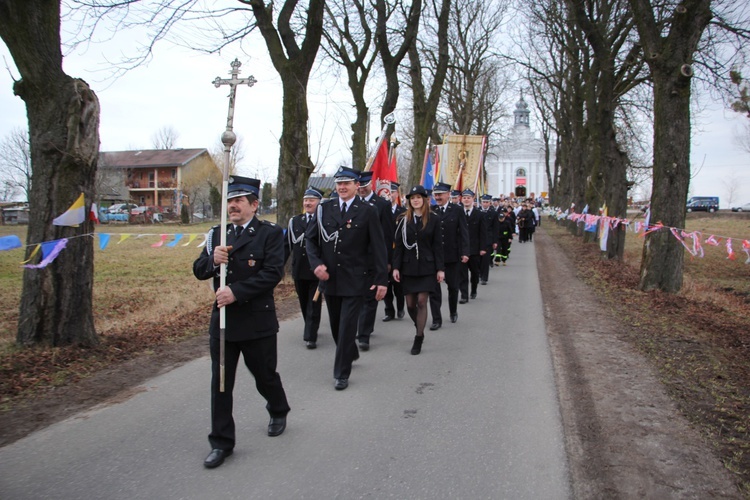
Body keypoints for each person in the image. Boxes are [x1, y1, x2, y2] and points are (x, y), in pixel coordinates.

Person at [192, 175, 290, 469]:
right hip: (222, 321)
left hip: (257, 321)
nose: (232, 206)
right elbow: (199, 270)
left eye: (238, 201)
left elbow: (273, 273)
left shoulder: (270, 234)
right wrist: (213, 260)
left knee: (264, 375)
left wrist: (236, 291)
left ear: (254, 204)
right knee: (221, 383)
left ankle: (278, 408)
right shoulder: (217, 235)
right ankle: (222, 442)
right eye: (230, 201)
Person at [305, 167, 388, 390]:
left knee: (347, 326)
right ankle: (349, 351)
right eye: (339, 183)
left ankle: (341, 372)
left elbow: (379, 247)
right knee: (335, 326)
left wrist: (382, 280)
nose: (342, 187)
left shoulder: (367, 211)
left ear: (356, 186)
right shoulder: (324, 209)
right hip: (330, 279)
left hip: (355, 279)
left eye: (347, 184)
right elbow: (310, 241)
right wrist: (316, 264)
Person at [392, 185, 445, 355]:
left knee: (422, 302)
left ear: (424, 199)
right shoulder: (403, 220)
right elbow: (398, 246)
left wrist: (440, 269)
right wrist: (396, 267)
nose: (415, 200)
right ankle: (419, 324)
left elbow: (438, 246)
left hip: (427, 267)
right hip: (408, 267)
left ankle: (418, 336)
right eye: (412, 198)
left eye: (418, 197)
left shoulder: (433, 219)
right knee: (410, 305)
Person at [355, 171, 394, 351]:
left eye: (365, 186)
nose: (362, 189)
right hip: (354, 260)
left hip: (373, 259)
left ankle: (363, 335)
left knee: (370, 298)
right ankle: (360, 327)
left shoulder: (382, 205)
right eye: (359, 186)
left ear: (371, 184)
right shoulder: (352, 204)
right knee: (356, 297)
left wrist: (385, 260)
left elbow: (386, 235)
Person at [285, 186, 323, 349]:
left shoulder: (323, 221)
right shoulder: (295, 221)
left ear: (319, 203)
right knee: (303, 302)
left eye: (312, 200)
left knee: (313, 303)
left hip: (316, 270)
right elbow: (286, 245)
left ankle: (310, 335)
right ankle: (310, 325)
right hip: (299, 269)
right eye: (306, 200)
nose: (308, 203)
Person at [428, 182, 469, 330]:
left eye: (440, 194)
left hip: (452, 256)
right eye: (435, 194)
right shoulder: (431, 210)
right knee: (434, 289)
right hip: (434, 257)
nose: (437, 197)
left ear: (448, 194)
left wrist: (465, 252)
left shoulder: (457, 210)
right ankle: (436, 319)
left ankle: (453, 311)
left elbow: (464, 232)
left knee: (452, 287)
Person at [458, 189, 487, 302]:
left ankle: (473, 289)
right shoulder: (458, 212)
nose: (466, 200)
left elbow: (483, 233)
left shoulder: (479, 214)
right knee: (462, 274)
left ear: (473, 199)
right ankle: (464, 295)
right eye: (464, 198)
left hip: (475, 249)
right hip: (462, 249)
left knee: (475, 273)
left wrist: (483, 248)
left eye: (468, 198)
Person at [383, 181, 406, 322]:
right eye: (387, 192)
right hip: (384, 252)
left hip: (398, 252)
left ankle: (401, 307)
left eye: (392, 192)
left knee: (398, 285)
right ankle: (389, 311)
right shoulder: (379, 211)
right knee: (385, 284)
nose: (390, 195)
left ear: (396, 194)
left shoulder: (402, 212)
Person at [478, 194, 497, 281]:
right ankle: (478, 273)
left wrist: (495, 241)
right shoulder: (477, 211)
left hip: (488, 239)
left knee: (485, 259)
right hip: (478, 239)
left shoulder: (493, 213)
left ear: (490, 203)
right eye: (483, 202)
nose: (485, 204)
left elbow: (496, 228)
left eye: (487, 202)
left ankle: (484, 277)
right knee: (478, 259)